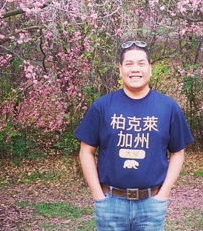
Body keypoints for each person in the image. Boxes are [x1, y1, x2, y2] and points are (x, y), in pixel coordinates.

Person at [74, 40, 194, 231]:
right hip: (110, 204)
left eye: (141, 63)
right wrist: (98, 195)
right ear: (120, 69)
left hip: (151, 205)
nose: (135, 69)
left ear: (150, 69)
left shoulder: (168, 107)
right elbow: (86, 151)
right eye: (129, 64)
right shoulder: (102, 106)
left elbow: (178, 152)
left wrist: (163, 195)